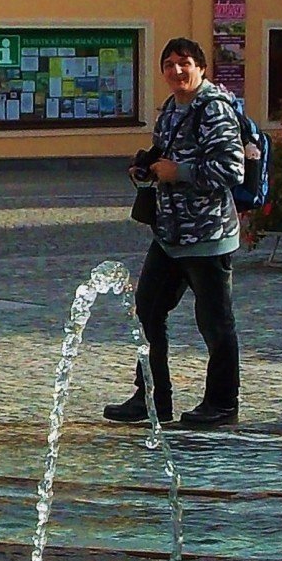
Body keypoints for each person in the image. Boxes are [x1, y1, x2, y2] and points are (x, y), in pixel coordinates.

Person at [105, 37, 245, 429]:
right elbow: (164, 153)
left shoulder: (214, 109)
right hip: (169, 235)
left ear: (200, 67)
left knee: (216, 323)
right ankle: (151, 398)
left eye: (184, 63)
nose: (176, 71)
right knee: (147, 312)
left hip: (207, 234)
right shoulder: (171, 108)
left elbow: (232, 171)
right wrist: (148, 166)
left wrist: (179, 173)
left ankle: (222, 404)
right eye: (169, 64)